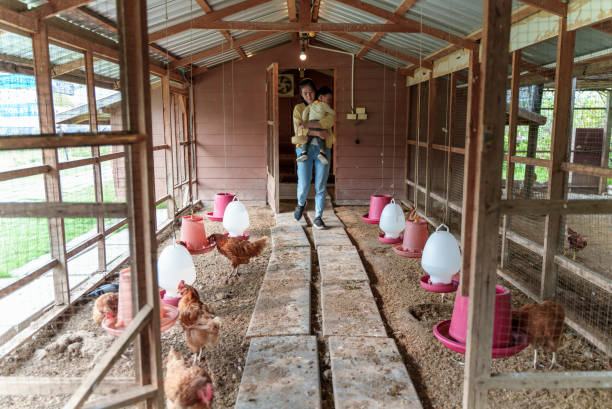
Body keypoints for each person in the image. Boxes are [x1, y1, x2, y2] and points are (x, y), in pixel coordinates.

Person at [291, 78, 335, 229]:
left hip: (323, 149)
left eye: (311, 92)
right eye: (305, 93)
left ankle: (318, 216)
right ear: (301, 94)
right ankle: (300, 204)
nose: (309, 95)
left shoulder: (322, 106)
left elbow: (329, 122)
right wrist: (318, 132)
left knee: (321, 184)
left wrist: (308, 126)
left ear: (315, 92)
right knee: (304, 183)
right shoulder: (298, 108)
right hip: (304, 148)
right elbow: (298, 129)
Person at [297, 86, 335, 165]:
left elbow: (305, 112)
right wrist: (334, 112)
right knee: (321, 139)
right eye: (329, 100)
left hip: (310, 122)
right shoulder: (325, 105)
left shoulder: (312, 104)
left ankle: (304, 153)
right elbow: (331, 112)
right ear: (321, 97)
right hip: (318, 124)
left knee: (306, 140)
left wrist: (305, 121)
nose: (330, 102)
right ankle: (322, 153)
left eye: (310, 92)